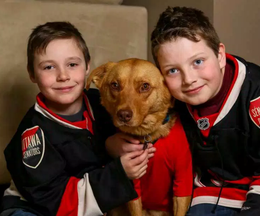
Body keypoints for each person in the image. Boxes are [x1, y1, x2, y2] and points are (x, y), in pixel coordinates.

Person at [106, 6, 260, 216]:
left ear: (220, 55)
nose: (189, 79)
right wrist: (110, 144)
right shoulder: (171, 97)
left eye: (198, 62)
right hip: (207, 192)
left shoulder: (259, 93)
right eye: (173, 70)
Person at [0, 21, 151, 216]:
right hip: (34, 206)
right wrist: (119, 174)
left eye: (72, 64)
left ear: (87, 66)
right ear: (32, 74)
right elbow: (58, 200)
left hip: (88, 199)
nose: (63, 75)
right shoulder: (33, 133)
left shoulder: (104, 103)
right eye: (48, 67)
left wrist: (109, 145)